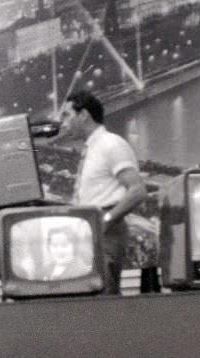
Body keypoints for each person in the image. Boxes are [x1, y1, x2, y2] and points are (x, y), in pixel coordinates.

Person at [59, 90, 146, 294]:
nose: (63, 122)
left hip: (105, 233)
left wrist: (105, 221)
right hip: (91, 231)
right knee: (93, 296)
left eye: (66, 115)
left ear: (83, 115)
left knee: (104, 298)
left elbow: (138, 190)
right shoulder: (94, 147)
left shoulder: (111, 145)